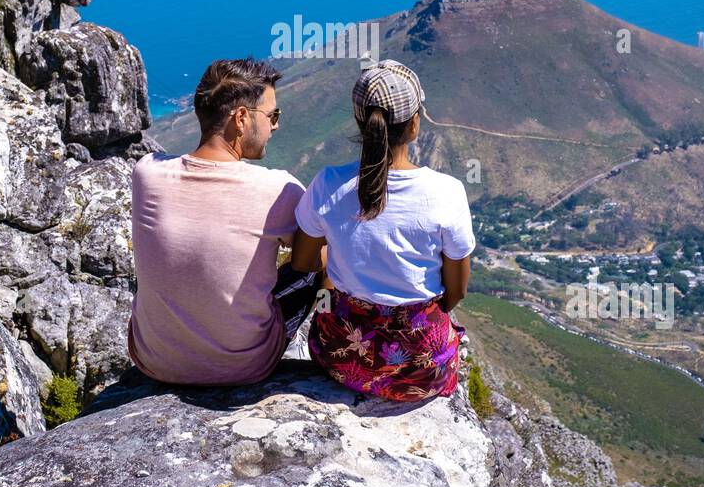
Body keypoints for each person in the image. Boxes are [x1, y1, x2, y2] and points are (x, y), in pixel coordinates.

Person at [127, 57, 324, 387]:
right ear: (242, 118)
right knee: (314, 266)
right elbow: (318, 259)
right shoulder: (278, 190)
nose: (276, 125)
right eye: (273, 115)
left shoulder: (146, 172)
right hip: (244, 366)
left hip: (153, 360)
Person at [291, 60, 475, 402]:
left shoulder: (328, 183)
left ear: (361, 123)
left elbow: (302, 262)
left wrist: (339, 267)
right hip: (422, 370)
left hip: (341, 356)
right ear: (415, 125)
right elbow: (457, 289)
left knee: (330, 293)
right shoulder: (447, 192)